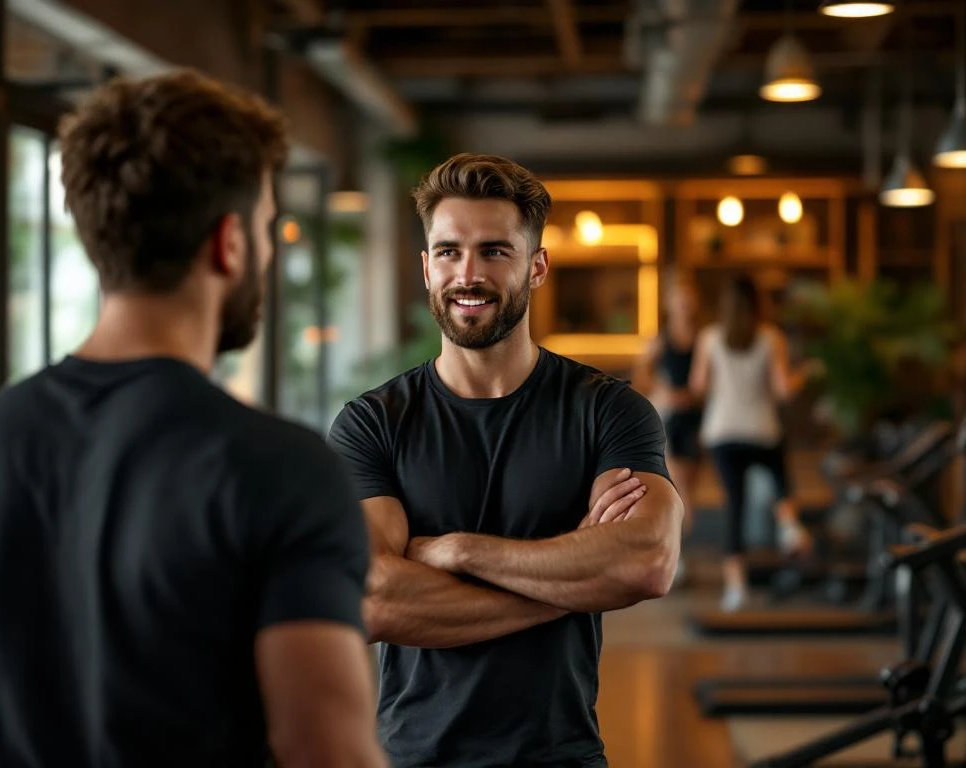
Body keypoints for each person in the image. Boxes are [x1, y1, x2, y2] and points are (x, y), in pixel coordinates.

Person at [0, 70, 385, 768]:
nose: (268, 253)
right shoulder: (281, 470)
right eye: (267, 229)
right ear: (228, 243)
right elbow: (325, 753)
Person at [327, 153, 683, 768]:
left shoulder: (608, 411)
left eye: (495, 251)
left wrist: (459, 551)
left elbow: (646, 560)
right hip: (414, 756)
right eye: (448, 252)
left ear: (537, 266)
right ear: (426, 266)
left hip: (559, 754)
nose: (468, 274)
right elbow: (374, 598)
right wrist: (573, 579)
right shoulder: (372, 424)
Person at [689, 274, 814, 613]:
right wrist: (805, 373)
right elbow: (784, 391)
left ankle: (736, 588)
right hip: (762, 428)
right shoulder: (771, 337)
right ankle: (788, 525)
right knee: (780, 481)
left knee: (735, 505)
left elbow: (698, 385)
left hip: (722, 431)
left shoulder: (710, 338)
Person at [635, 270, 704, 585]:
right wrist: (664, 394)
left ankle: (678, 553)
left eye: (689, 300)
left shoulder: (705, 338)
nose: (685, 306)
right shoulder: (661, 339)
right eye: (680, 301)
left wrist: (694, 395)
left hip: (698, 420)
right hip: (670, 421)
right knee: (680, 488)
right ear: (670, 303)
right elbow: (641, 376)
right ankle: (676, 557)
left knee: (691, 488)